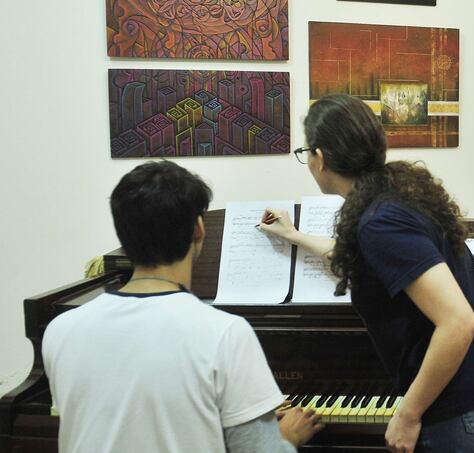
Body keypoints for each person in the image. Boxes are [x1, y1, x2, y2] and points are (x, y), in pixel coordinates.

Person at [260, 94, 474, 453]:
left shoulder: (380, 223)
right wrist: (294, 236)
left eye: (305, 152)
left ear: (320, 157)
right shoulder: (396, 192)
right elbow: (369, 259)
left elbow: (458, 323)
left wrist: (408, 414)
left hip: (471, 412)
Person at [42, 161, 322, 453]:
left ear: (122, 233)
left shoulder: (61, 330)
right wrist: (287, 438)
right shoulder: (225, 333)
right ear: (199, 229)